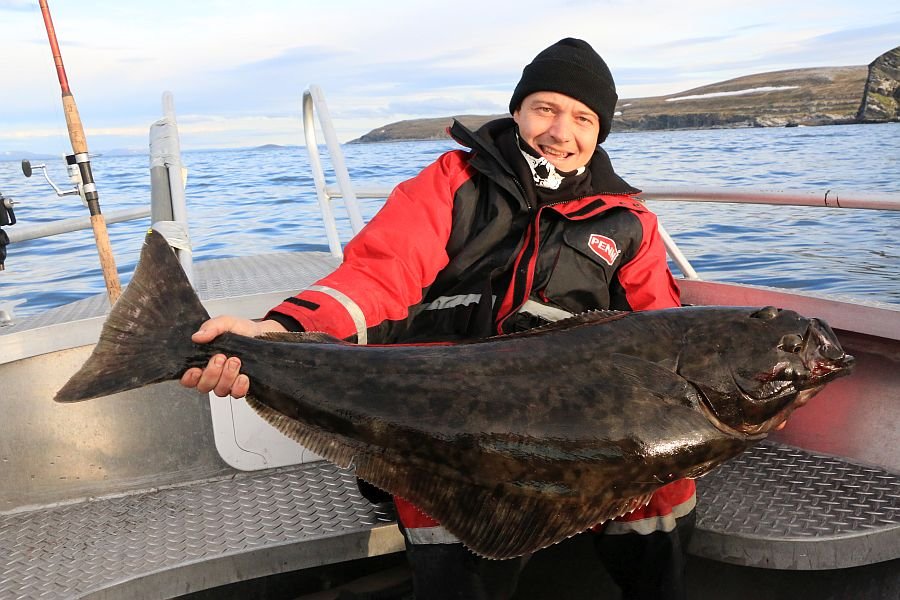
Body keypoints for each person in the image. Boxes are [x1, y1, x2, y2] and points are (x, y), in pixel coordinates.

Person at [181, 38, 695, 600]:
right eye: (545, 108)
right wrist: (276, 332)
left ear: (600, 133)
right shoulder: (452, 182)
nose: (560, 132)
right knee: (455, 530)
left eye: (583, 118)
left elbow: (665, 332)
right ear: (518, 110)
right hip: (444, 410)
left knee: (665, 494)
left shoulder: (628, 221)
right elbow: (379, 275)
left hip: (575, 420)